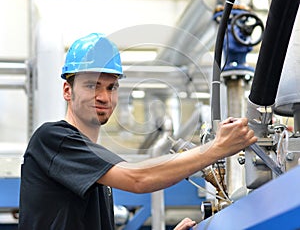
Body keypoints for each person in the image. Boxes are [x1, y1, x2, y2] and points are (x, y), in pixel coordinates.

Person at [18, 33, 257, 230]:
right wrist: (216, 148)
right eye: (92, 86)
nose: (103, 96)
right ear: (67, 91)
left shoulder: (97, 173)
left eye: (111, 87)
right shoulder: (52, 139)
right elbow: (138, 179)